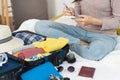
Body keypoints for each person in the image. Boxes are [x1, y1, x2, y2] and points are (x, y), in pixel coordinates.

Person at [34, 0, 120, 61]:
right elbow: (79, 13)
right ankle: (75, 42)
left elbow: (118, 21)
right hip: (80, 31)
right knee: (40, 25)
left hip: (104, 35)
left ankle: (66, 43)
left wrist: (93, 21)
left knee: (92, 53)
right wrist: (73, 12)